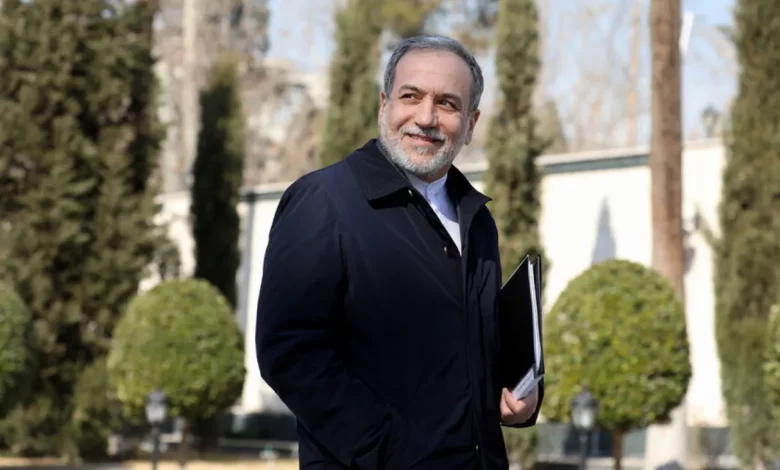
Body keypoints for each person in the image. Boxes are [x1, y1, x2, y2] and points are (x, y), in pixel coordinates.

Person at [255, 35, 543, 470]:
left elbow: (473, 349)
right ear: (384, 104)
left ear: (470, 124)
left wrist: (520, 390)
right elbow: (289, 351)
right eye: (411, 96)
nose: (426, 118)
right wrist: (386, 449)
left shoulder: (478, 221)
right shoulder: (324, 200)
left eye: (447, 103)